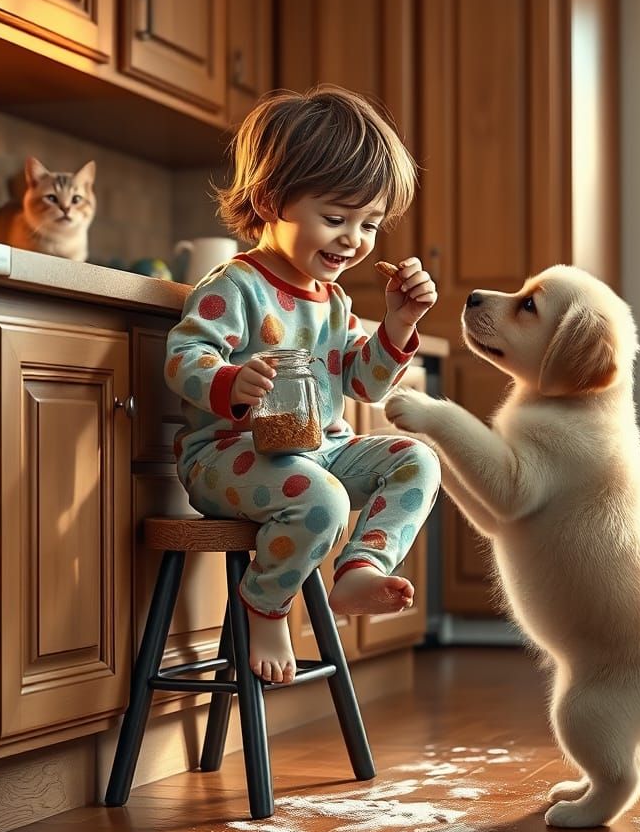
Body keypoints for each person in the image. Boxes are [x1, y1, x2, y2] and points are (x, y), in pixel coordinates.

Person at [165, 85, 441, 686]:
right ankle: (265, 605)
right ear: (271, 200)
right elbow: (184, 357)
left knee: (418, 460)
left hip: (320, 450)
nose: (354, 239)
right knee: (325, 500)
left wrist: (398, 323)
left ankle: (359, 569)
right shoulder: (235, 285)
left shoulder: (334, 301)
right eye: (336, 219)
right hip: (229, 456)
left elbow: (365, 385)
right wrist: (232, 380)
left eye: (370, 224)